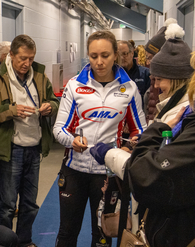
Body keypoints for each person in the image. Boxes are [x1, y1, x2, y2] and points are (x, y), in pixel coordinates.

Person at [90, 23, 195, 247]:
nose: (154, 86)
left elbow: (146, 173)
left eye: (159, 79)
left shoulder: (181, 114)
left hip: (172, 225)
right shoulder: (172, 110)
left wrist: (111, 154)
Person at [53, 30, 147, 247]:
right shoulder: (75, 85)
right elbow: (59, 129)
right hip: (74, 171)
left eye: (105, 55)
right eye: (94, 56)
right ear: (88, 55)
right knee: (67, 232)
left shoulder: (130, 89)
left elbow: (139, 131)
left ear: (116, 55)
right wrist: (72, 141)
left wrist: (129, 148)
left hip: (107, 175)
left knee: (103, 236)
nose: (99, 62)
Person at [0, 34, 59, 247]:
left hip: (34, 147)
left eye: (31, 58)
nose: (27, 63)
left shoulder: (40, 76)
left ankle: (24, 241)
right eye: (22, 58)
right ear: (10, 55)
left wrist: (50, 107)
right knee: (7, 205)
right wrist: (10, 111)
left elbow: (54, 101)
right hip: (11, 149)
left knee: (30, 204)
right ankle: (5, 242)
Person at [144, 18, 178, 123]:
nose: (147, 62)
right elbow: (151, 112)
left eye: (150, 57)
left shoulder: (174, 82)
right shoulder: (154, 78)